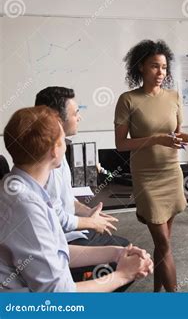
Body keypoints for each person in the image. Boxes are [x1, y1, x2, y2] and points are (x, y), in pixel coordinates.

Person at [0, 106, 153, 292]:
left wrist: (117, 253)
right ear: (54, 151)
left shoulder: (18, 186)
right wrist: (123, 275)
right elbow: (59, 294)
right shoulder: (26, 206)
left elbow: (57, 252)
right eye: (63, 139)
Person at [114, 39, 188, 292]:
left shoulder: (174, 97)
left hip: (172, 174)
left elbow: (177, 136)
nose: (161, 73)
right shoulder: (128, 100)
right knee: (165, 244)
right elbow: (121, 145)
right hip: (147, 178)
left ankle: (157, 295)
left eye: (164, 67)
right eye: (154, 67)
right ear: (140, 68)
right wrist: (155, 140)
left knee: (162, 244)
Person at [35, 87, 129, 281]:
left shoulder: (60, 152)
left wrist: (88, 212)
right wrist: (91, 223)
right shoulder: (48, 164)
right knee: (125, 257)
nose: (80, 118)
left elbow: (67, 199)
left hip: (72, 232)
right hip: (61, 243)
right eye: (76, 113)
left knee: (124, 245)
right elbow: (54, 218)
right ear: (56, 118)